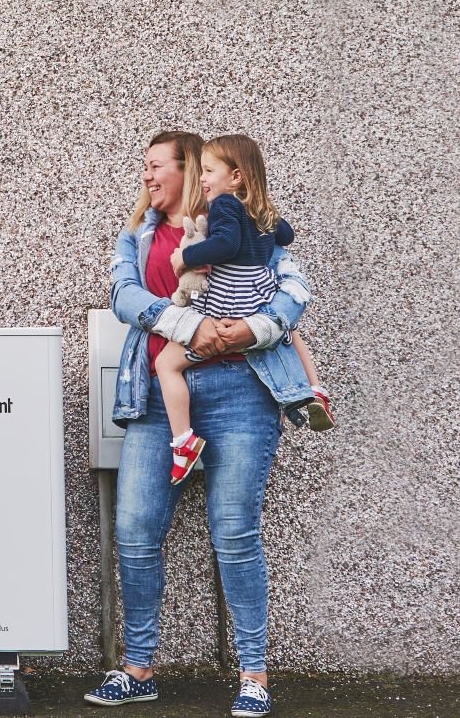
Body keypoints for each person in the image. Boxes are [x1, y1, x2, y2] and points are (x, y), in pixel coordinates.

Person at [84, 131, 315, 718]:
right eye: (144, 167)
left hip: (242, 389)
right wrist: (186, 328)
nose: (146, 176)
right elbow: (124, 295)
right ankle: (138, 670)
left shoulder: (242, 225)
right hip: (162, 395)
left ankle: (254, 676)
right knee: (135, 530)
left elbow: (293, 290)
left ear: (192, 172)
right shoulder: (137, 237)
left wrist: (251, 330)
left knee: (234, 533)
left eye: (157, 166)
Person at [154, 134, 334, 485]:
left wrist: (184, 257)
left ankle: (183, 442)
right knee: (287, 331)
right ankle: (316, 391)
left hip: (228, 297)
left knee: (166, 363)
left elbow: (226, 243)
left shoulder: (224, 205)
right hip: (259, 291)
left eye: (208, 171)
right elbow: (286, 236)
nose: (202, 179)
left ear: (235, 176)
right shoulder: (260, 206)